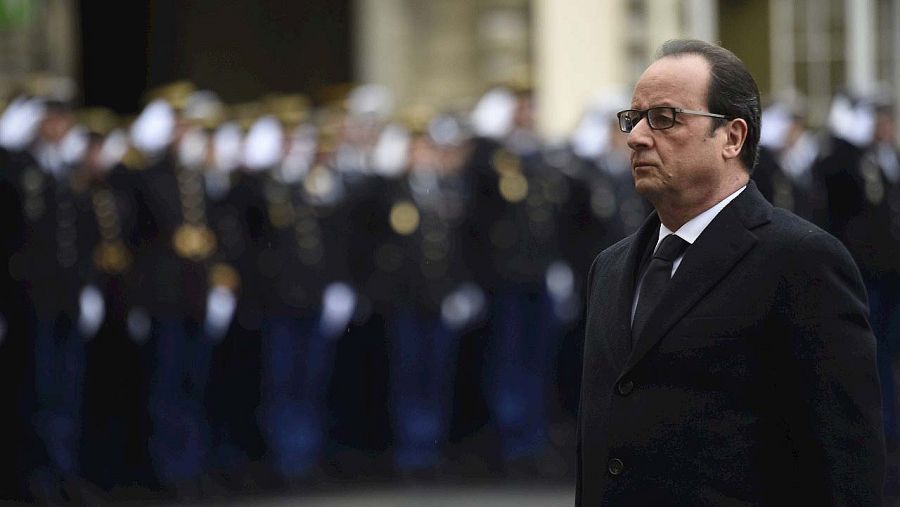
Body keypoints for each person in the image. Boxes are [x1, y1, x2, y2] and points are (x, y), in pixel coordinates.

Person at [576, 39, 885, 505]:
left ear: (732, 137)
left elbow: (845, 462)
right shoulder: (611, 266)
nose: (637, 136)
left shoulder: (802, 261)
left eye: (664, 118)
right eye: (633, 118)